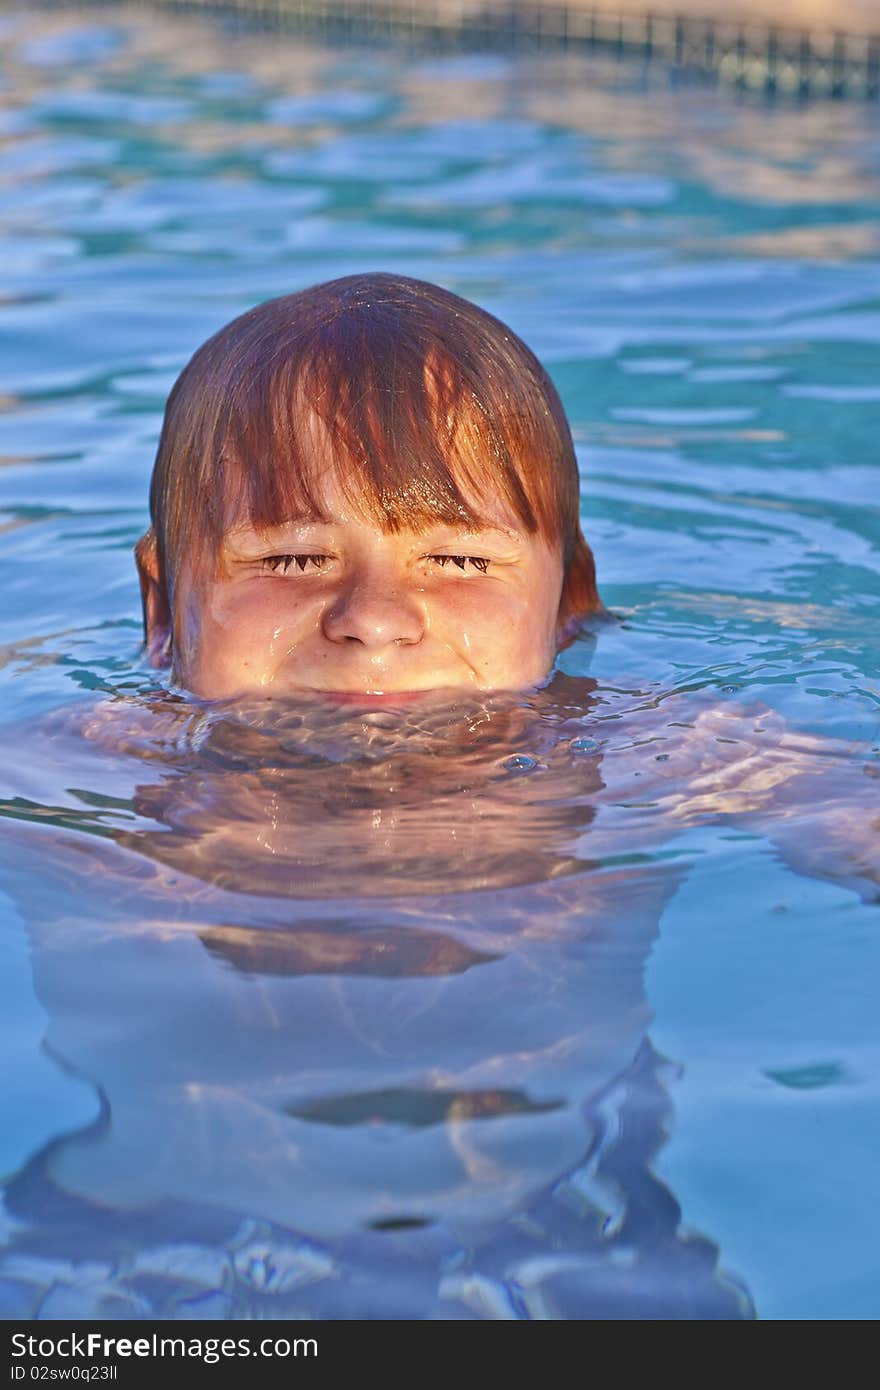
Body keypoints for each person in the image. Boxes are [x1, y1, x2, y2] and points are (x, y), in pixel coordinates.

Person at [133, 271, 601, 701]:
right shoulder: (89, 762)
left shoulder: (652, 762)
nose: (374, 623)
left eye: (460, 560)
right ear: (163, 616)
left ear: (566, 609)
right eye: (293, 560)